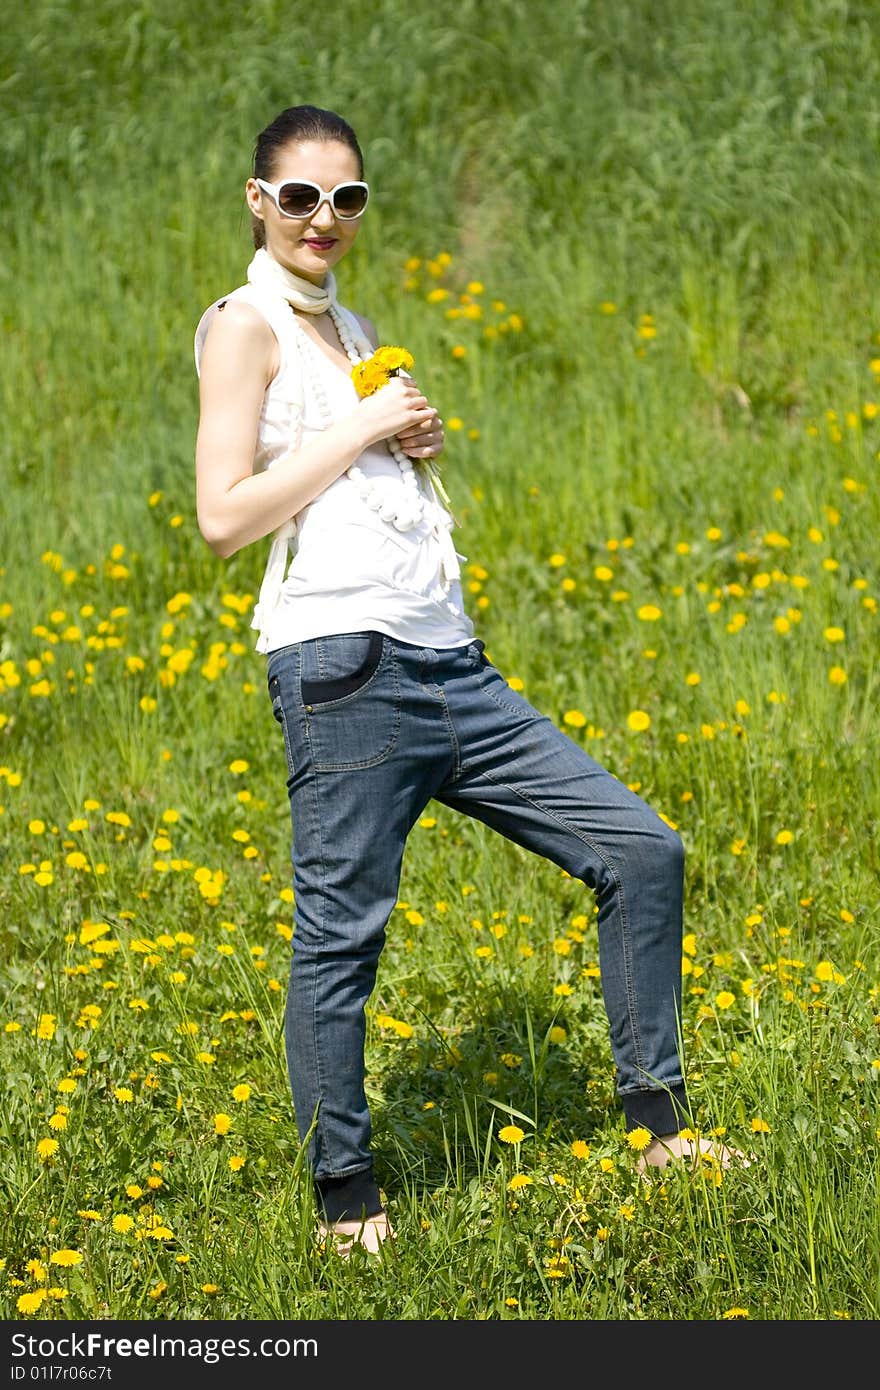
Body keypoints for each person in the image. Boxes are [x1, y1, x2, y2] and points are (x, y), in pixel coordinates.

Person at [193, 104, 741, 1256]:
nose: (324, 219)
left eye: (346, 198)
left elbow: (348, 482)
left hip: (452, 665)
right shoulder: (243, 326)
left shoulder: (353, 324)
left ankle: (663, 1129)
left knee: (641, 849)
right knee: (341, 936)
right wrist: (362, 429)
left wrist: (405, 439)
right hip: (344, 668)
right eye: (299, 196)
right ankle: (346, 1196)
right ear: (258, 201)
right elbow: (222, 517)